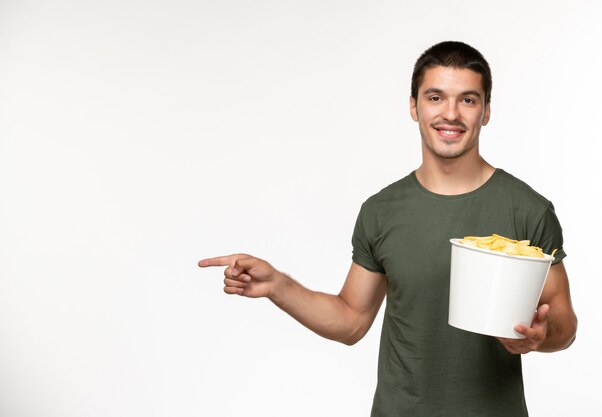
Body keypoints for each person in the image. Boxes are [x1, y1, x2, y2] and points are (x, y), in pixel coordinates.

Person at [198, 41, 577, 416]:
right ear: (413, 106)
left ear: (486, 111)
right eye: (434, 97)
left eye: (467, 99)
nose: (450, 113)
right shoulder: (381, 212)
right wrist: (278, 286)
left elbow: (564, 321)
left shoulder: (528, 210)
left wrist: (541, 336)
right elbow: (351, 321)